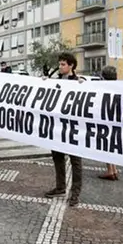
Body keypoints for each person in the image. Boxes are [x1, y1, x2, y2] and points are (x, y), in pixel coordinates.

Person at [44, 52, 85, 207]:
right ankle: (60, 187)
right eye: (59, 64)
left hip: (74, 129)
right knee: (57, 158)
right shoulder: (56, 81)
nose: (60, 67)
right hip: (57, 127)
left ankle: (75, 193)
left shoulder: (79, 82)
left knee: (76, 162)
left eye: (63, 64)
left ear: (71, 66)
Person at [98, 65, 120, 181]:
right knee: (113, 146)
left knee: (106, 146)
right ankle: (114, 170)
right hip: (116, 120)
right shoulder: (119, 87)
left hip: (106, 120)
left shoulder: (103, 87)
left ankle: (110, 170)